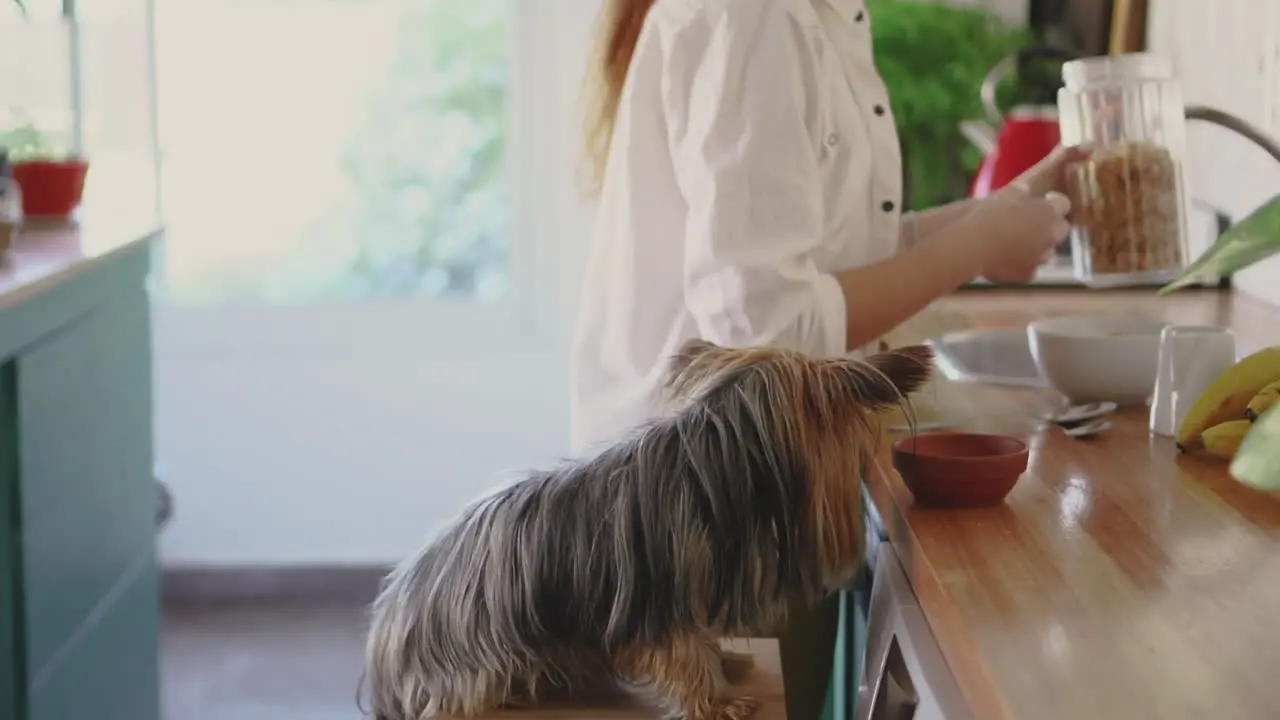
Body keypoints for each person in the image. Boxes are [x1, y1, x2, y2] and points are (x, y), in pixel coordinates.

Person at [569, 1, 1083, 717]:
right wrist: (975, 248)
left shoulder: (813, 15)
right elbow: (770, 331)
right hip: (702, 512)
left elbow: (827, 260)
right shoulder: (758, 18)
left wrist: (999, 210)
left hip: (726, 490)